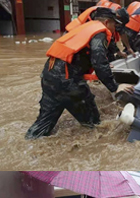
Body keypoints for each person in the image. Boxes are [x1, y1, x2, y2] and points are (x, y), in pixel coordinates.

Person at [25, 9, 134, 139]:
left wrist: (101, 66)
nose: (114, 29)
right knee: (95, 125)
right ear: (107, 22)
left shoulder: (86, 27)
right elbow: (98, 62)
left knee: (43, 125)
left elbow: (87, 57)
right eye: (114, 25)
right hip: (67, 80)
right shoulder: (100, 32)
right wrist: (115, 87)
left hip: (49, 75)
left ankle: (30, 145)